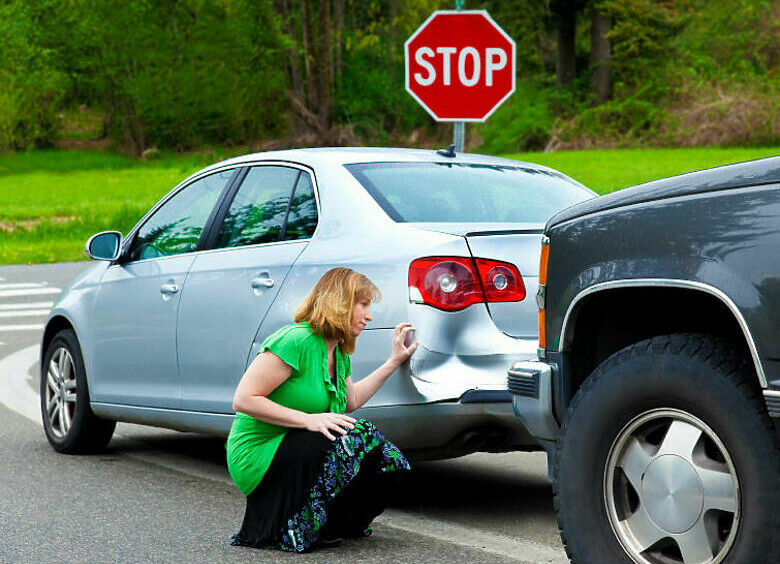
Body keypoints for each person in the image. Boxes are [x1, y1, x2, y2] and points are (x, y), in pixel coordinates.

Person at [226, 267, 418, 552]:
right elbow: (244, 399)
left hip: (299, 445)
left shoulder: (338, 351)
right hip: (259, 451)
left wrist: (392, 362)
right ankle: (292, 528)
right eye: (362, 305)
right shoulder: (295, 339)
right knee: (356, 435)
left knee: (386, 458)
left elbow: (350, 401)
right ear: (339, 302)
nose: (369, 316)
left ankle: (338, 522)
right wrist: (307, 420)